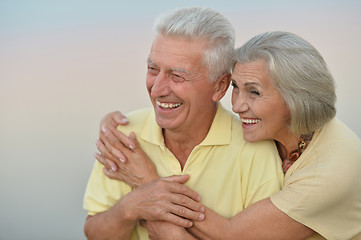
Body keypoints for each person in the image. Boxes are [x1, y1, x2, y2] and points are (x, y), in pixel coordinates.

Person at [97, 31, 361, 239]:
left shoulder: (330, 171)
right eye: (236, 87)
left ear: (296, 99)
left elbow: (232, 234)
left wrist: (148, 183)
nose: (236, 106)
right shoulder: (280, 129)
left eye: (254, 92)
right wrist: (117, 123)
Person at [83, 7, 283, 240]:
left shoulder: (256, 150)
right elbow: (94, 232)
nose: (157, 90)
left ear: (219, 86)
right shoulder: (125, 135)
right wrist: (129, 208)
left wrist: (162, 216)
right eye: (152, 69)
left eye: (177, 76)